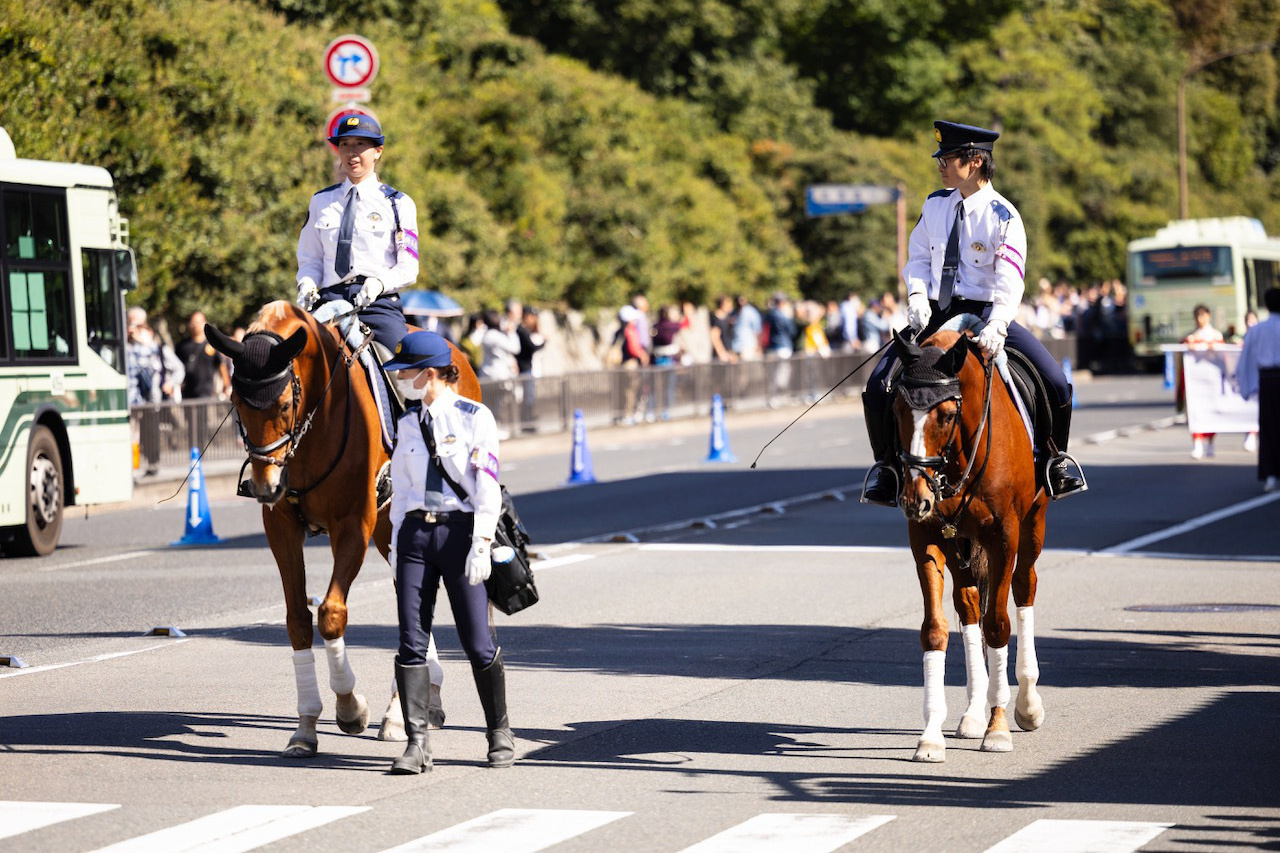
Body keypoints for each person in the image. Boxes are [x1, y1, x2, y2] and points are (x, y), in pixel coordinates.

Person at [862, 120, 1086, 506]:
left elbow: (1009, 278)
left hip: (987, 314)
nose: (941, 165)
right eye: (941, 158)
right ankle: (887, 468)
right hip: (936, 312)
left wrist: (999, 323)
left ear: (976, 161)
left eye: (948, 158)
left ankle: (1055, 460)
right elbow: (917, 258)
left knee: (1055, 380)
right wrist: (916, 295)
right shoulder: (934, 205)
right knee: (879, 384)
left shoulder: (1004, 216)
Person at [383, 331, 515, 773]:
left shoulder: (475, 417)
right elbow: (401, 491)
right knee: (410, 641)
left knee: (478, 642)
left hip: (460, 535)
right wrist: (399, 542)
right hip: (417, 538)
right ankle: (417, 744)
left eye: (406, 371)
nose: (400, 378)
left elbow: (486, 488)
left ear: (431, 373)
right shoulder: (406, 424)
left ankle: (499, 732)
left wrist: (481, 543)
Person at [296, 115, 419, 352]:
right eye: (345, 145)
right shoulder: (321, 201)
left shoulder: (398, 204)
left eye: (360, 144)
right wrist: (307, 282)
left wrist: (379, 283)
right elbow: (311, 258)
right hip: (329, 301)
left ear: (378, 151)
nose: (351, 153)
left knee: (402, 368)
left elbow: (408, 267)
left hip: (377, 304)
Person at [1236, 287, 1280, 492]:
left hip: (1268, 382)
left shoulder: (1257, 330)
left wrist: (1247, 388)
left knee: (1269, 428)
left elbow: (1245, 361)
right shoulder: (1259, 330)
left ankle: (1271, 474)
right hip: (1272, 378)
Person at [1182, 304, 1224, 459]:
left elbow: (1223, 355)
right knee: (1195, 412)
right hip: (1196, 383)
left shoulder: (1216, 335)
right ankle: (1197, 444)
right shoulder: (1191, 336)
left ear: (1209, 316)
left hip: (1211, 380)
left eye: (1203, 315)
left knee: (1211, 411)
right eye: (1197, 316)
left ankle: (1211, 443)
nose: (1200, 319)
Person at [176, 311, 230, 401]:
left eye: (198, 322)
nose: (195, 325)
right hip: (187, 394)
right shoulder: (182, 346)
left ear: (205, 323)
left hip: (208, 393)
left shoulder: (213, 344)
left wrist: (227, 386)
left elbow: (221, 365)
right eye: (193, 322)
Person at [514, 305, 544, 432]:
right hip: (524, 369)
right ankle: (527, 424)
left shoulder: (523, 330)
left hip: (526, 368)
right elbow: (531, 348)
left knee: (529, 397)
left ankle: (528, 423)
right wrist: (544, 343)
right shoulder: (521, 331)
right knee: (528, 398)